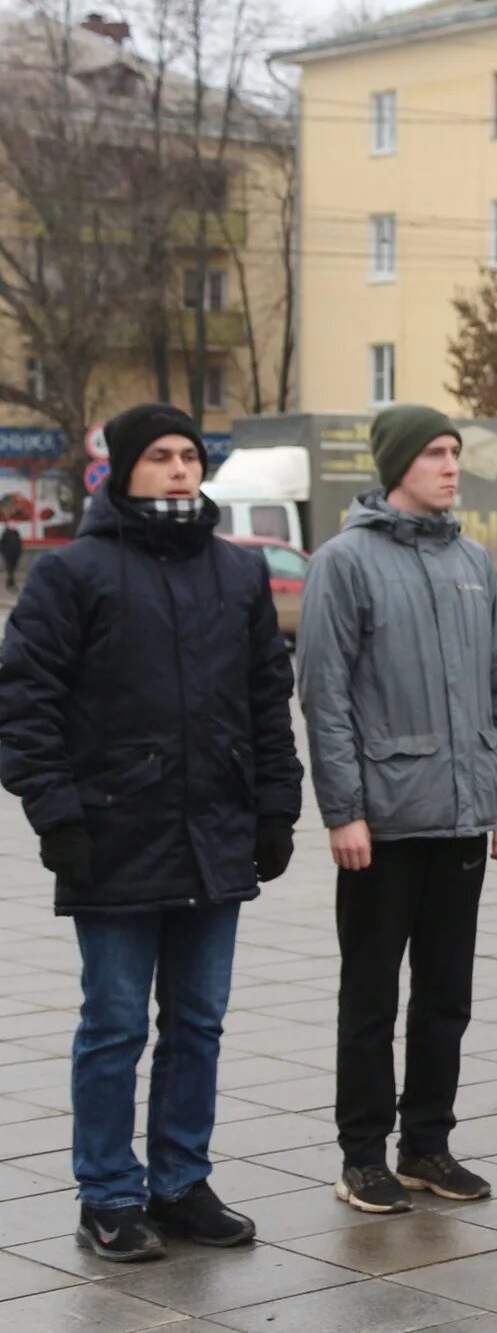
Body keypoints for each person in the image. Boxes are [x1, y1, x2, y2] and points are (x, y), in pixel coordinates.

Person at [0, 405, 302, 1261]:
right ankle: (107, 1194)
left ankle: (180, 1184)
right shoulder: (73, 574)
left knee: (198, 1021)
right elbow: (24, 706)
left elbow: (266, 703)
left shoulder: (235, 574)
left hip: (215, 832)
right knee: (116, 1023)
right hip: (111, 835)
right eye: (162, 456)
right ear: (124, 469)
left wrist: (277, 806)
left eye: (189, 456)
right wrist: (56, 816)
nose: (179, 469)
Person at [300, 406, 497, 1214]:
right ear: (398, 463)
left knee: (446, 995)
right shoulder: (345, 562)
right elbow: (323, 695)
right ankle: (362, 1155)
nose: (450, 465)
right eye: (435, 452)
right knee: (370, 996)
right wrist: (343, 810)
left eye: (455, 452)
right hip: (385, 821)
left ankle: (427, 1145)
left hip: (464, 816)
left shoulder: (473, 559)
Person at [0, 522, 22, 592]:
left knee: (13, 568)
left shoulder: (16, 533)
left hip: (15, 554)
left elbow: (19, 543)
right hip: (8, 554)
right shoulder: (5, 534)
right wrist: (4, 553)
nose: (13, 526)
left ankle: (9, 582)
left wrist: (19, 552)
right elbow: (2, 545)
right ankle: (11, 583)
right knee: (10, 569)